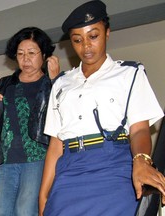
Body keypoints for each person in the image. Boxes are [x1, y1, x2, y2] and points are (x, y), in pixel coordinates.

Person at [39, 1, 165, 216]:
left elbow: (140, 129)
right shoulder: (62, 83)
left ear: (107, 33)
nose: (86, 46)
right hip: (69, 171)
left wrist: (142, 161)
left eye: (93, 36)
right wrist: (43, 196)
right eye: (77, 40)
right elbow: (56, 144)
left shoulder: (130, 73)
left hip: (114, 167)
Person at [0, 27, 60, 216]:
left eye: (32, 53)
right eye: (21, 54)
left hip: (37, 157)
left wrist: (55, 80)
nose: (25, 59)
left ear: (45, 54)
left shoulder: (52, 83)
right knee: (0, 211)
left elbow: (63, 113)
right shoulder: (6, 82)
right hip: (6, 158)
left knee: (26, 211)